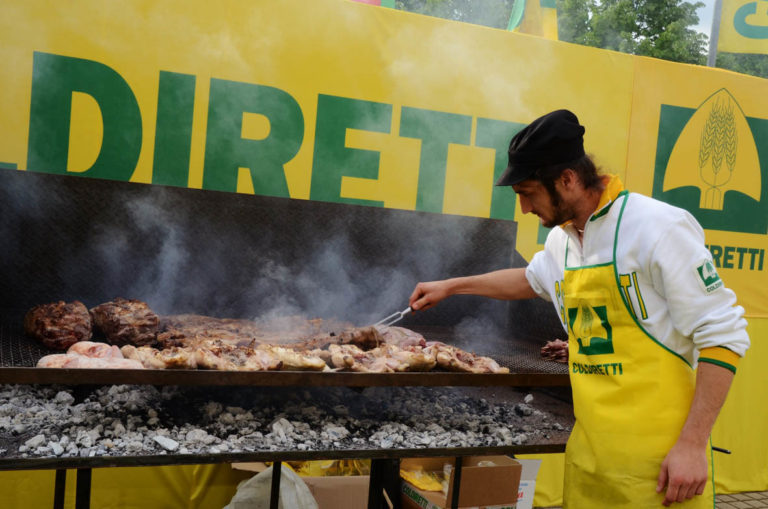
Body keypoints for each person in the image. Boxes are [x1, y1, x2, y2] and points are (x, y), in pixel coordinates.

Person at [408, 109, 750, 508]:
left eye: (527, 193)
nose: (523, 209)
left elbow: (723, 336)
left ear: (567, 179)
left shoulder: (658, 227)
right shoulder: (563, 241)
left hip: (661, 470)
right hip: (588, 463)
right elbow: (530, 279)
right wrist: (451, 286)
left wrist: (692, 446)